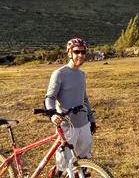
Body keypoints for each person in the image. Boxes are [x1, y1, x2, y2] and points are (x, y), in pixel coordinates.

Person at [45, 37, 96, 177]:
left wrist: (92, 119)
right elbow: (50, 97)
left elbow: (84, 99)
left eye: (83, 52)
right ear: (69, 53)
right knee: (63, 164)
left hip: (84, 123)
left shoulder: (81, 74)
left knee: (83, 161)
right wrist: (52, 113)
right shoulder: (59, 74)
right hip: (67, 126)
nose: (80, 55)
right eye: (77, 52)